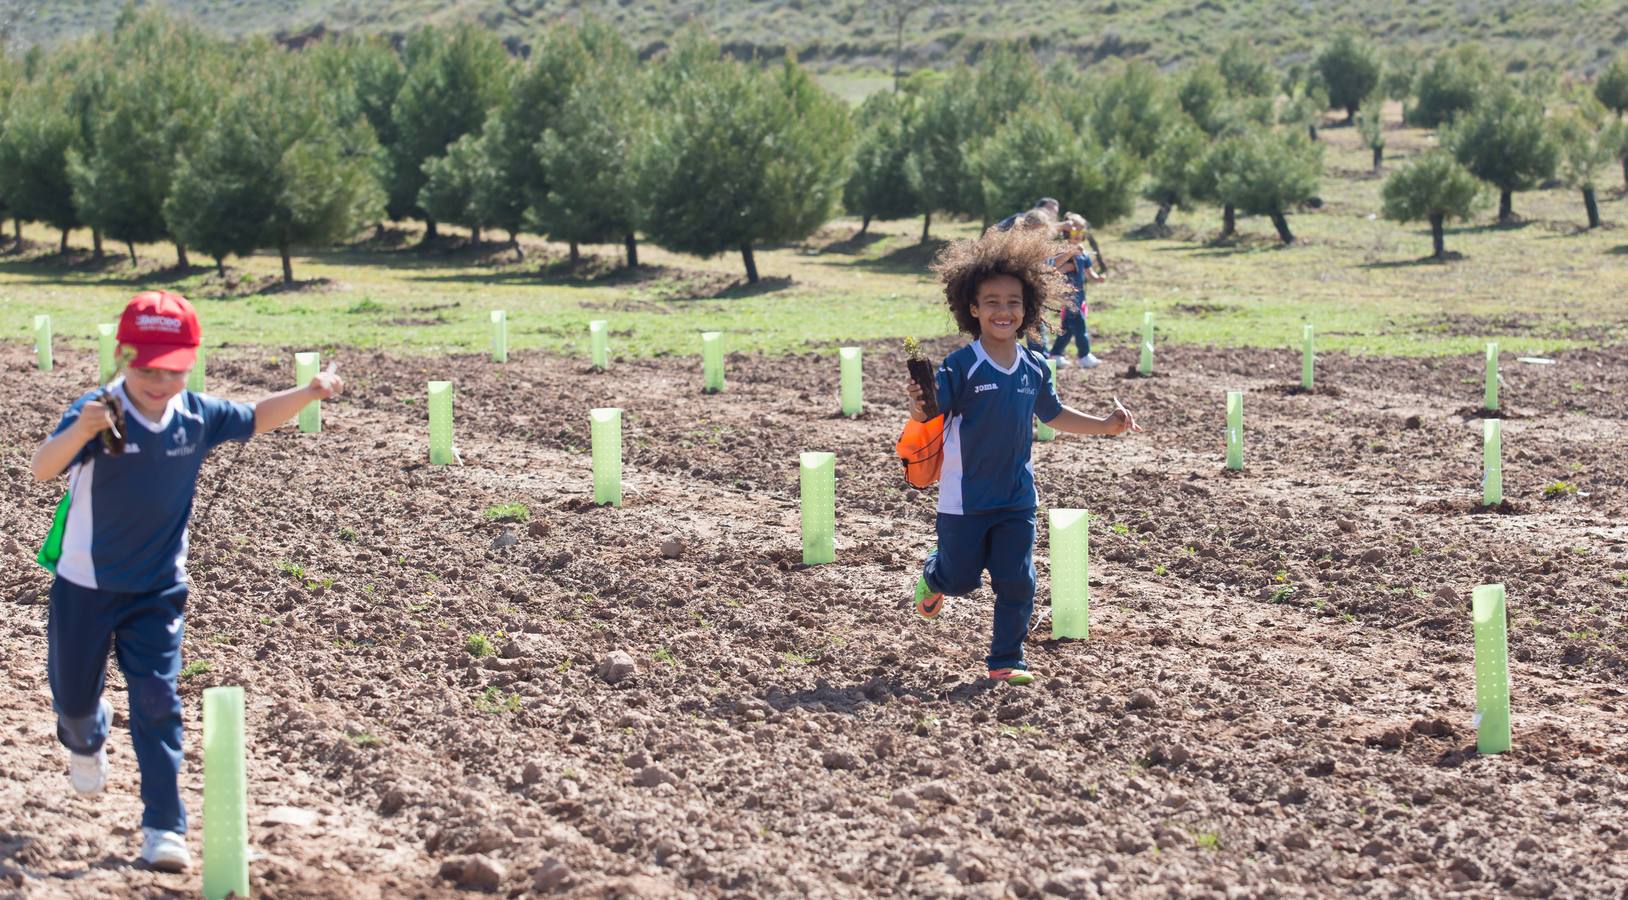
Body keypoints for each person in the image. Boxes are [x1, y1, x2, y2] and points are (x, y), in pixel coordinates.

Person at [29, 290, 345, 872]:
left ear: (190, 362)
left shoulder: (197, 416)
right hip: (85, 586)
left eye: (172, 370)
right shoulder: (99, 411)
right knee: (74, 702)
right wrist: (80, 432)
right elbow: (42, 467)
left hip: (158, 591)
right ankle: (86, 737)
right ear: (123, 357)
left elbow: (255, 416)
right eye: (146, 368)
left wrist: (308, 393)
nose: (158, 380)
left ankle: (163, 827)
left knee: (157, 701)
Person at [905, 227, 1139, 685]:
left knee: (1018, 581)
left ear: (1027, 309)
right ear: (972, 308)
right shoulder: (960, 365)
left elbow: (1052, 414)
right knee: (961, 580)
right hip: (965, 501)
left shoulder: (1034, 364)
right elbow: (932, 410)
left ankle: (1005, 660)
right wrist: (918, 405)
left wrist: (1105, 426)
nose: (1003, 310)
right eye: (991, 301)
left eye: (1013, 302)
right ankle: (935, 574)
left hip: (1016, 499)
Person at [1049, 215, 1105, 368]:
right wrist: (1067, 267)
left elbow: (1089, 272)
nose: (1078, 235)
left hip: (1080, 295)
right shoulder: (1063, 252)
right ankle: (1084, 355)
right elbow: (1052, 268)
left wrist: (1097, 278)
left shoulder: (1083, 253)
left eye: (1081, 231)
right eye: (1075, 231)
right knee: (1079, 323)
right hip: (1067, 295)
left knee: (1068, 326)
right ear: (1067, 232)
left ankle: (1056, 353)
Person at [994, 196, 1061, 232]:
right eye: (1050, 210)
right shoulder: (1021, 218)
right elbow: (997, 229)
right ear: (1038, 208)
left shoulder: (1049, 229)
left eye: (1055, 213)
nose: (1053, 215)